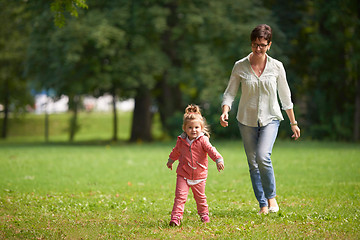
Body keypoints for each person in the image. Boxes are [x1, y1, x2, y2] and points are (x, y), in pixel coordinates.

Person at [220, 24, 300, 215]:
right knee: (253, 163)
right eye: (255, 44)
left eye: (262, 45)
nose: (258, 49)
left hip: (271, 118)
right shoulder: (240, 66)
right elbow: (230, 93)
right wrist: (225, 111)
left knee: (263, 156)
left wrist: (293, 123)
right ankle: (263, 205)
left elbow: (285, 96)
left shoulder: (277, 67)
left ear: (269, 45)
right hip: (246, 119)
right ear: (251, 43)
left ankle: (272, 198)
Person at [167, 104, 225, 226]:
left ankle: (204, 215)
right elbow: (176, 151)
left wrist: (218, 159)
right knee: (180, 197)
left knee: (200, 198)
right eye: (190, 127)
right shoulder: (181, 140)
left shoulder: (203, 140)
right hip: (183, 174)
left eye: (196, 127)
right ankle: (176, 218)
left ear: (201, 128)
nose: (193, 130)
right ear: (184, 128)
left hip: (199, 175)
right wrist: (171, 160)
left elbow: (211, 150)